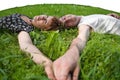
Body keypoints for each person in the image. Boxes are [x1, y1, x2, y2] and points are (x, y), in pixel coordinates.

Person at [51, 13, 120, 80]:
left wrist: (108, 16)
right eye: (66, 24)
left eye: (64, 18)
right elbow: (81, 38)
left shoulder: (86, 17)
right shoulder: (83, 25)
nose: (67, 20)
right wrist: (71, 53)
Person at [0, 13, 60, 80]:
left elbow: (26, 45)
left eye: (45, 21)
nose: (43, 17)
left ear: (44, 30)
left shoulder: (26, 28)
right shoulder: (28, 17)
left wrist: (46, 62)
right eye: (47, 16)